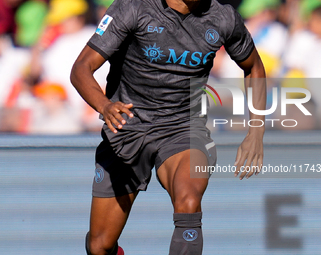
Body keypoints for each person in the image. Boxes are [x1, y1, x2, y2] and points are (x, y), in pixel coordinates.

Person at [70, 0, 266, 254]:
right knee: (100, 246)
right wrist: (104, 105)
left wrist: (256, 131)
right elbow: (81, 68)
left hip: (183, 129)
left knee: (189, 201)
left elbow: (254, 68)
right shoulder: (132, 8)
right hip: (127, 127)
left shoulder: (223, 17)